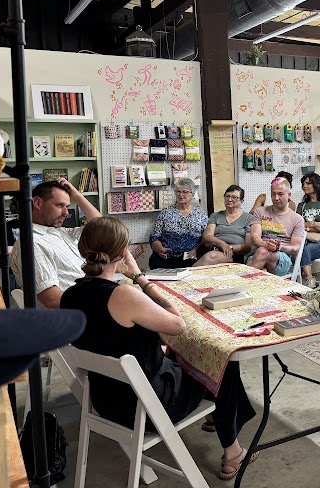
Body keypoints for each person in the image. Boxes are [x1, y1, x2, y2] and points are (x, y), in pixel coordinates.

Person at [60, 217, 256, 480]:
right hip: (147, 406)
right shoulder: (123, 295)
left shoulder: (69, 296)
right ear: (123, 253)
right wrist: (141, 278)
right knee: (222, 359)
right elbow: (178, 323)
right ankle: (232, 450)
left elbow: (110, 337)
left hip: (106, 400)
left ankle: (218, 417)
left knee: (178, 354)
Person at [10, 178, 102, 309]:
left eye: (67, 207)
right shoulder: (33, 243)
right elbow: (52, 300)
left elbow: (102, 228)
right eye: (59, 205)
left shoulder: (60, 232)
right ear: (37, 203)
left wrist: (76, 194)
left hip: (91, 303)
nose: (66, 213)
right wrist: (103, 301)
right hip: (79, 317)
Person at [247, 177, 305, 276]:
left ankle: (239, 281)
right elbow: (254, 237)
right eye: (273, 194)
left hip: (282, 259)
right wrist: (266, 245)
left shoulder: (297, 219)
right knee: (262, 262)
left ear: (289, 195)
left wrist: (279, 247)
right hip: (256, 255)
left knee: (262, 252)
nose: (276, 198)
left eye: (280, 194)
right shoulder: (260, 211)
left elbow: (295, 248)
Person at [148, 178, 208, 269]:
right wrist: (160, 249)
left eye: (185, 192)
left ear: (192, 194)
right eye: (178, 192)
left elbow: (206, 238)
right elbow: (154, 237)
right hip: (167, 256)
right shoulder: (165, 213)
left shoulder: (200, 214)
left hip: (190, 257)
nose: (181, 195)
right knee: (156, 263)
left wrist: (198, 249)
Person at [193, 185, 253, 266]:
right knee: (212, 255)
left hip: (235, 254)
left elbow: (248, 245)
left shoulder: (248, 218)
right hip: (215, 248)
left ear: (241, 201)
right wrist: (222, 244)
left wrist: (229, 248)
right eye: (227, 196)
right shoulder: (215, 216)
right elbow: (207, 236)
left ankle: (188, 276)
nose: (230, 199)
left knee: (211, 257)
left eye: (234, 197)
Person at [296, 173, 320, 289]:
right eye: (303, 183)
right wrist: (314, 225)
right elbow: (297, 225)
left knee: (302, 250)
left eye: (308, 183)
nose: (304, 186)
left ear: (316, 184)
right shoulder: (302, 205)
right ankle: (307, 279)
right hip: (304, 239)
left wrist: (306, 226)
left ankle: (308, 279)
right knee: (300, 248)